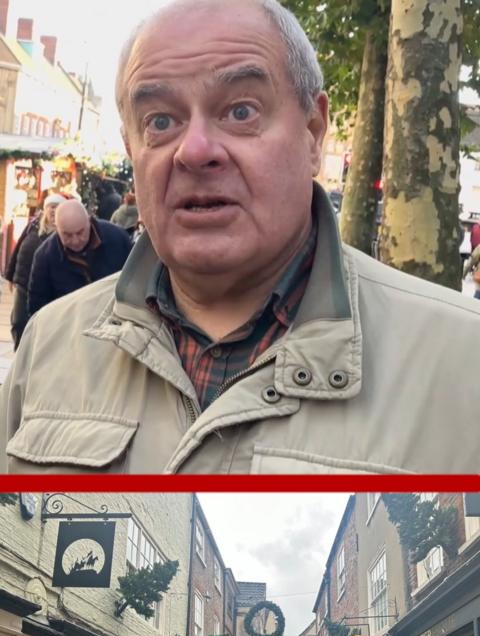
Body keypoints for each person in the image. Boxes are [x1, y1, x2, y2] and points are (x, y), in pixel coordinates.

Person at [2, 0, 480, 475]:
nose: (195, 151)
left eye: (240, 110)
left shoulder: (462, 364)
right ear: (132, 148)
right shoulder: (48, 345)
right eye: (161, 122)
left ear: (313, 134)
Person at [27, 200, 133, 317]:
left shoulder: (118, 239)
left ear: (89, 221)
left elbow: (136, 280)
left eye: (80, 232)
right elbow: (38, 308)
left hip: (114, 321)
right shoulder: (45, 256)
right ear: (57, 229)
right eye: (67, 235)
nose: (75, 241)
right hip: (69, 326)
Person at [6, 194, 64, 349]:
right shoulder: (33, 225)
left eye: (57, 207)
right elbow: (18, 248)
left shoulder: (64, 232)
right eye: (51, 207)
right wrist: (10, 275)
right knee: (18, 322)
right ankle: (19, 353)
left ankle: (33, 355)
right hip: (23, 282)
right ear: (45, 209)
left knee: (39, 325)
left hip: (45, 288)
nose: (53, 211)